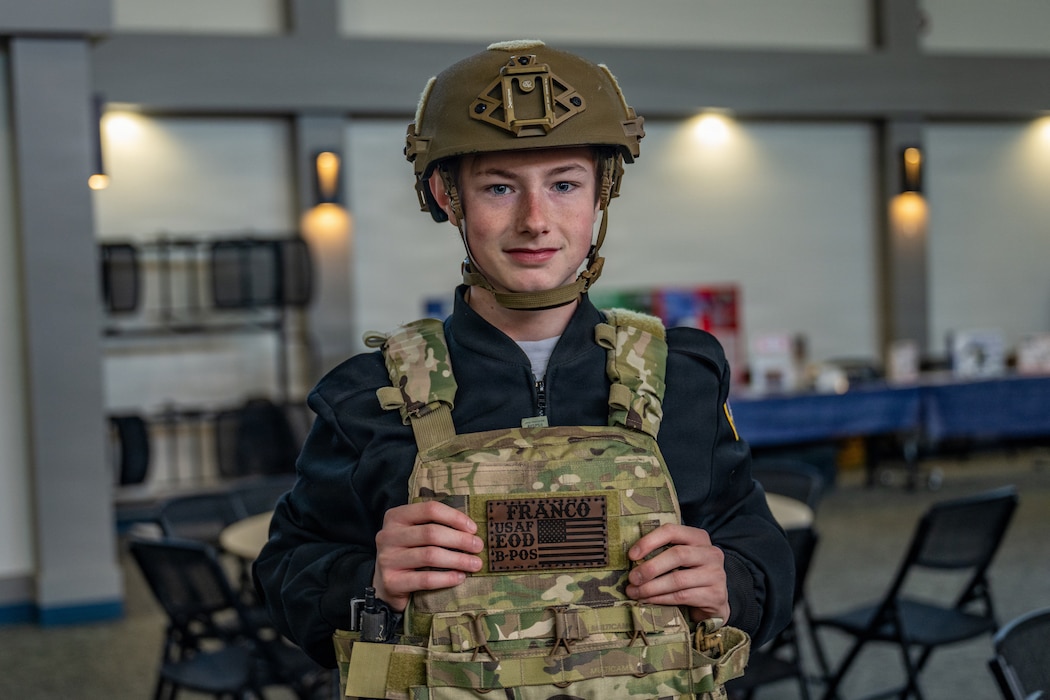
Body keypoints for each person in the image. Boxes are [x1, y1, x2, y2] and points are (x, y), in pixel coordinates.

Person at [254, 40, 794, 697]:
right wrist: (367, 581)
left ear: (602, 191)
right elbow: (283, 572)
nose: (535, 221)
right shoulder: (368, 396)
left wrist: (729, 580)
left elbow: (761, 553)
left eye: (564, 184)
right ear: (446, 196)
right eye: (499, 187)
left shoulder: (682, 376)